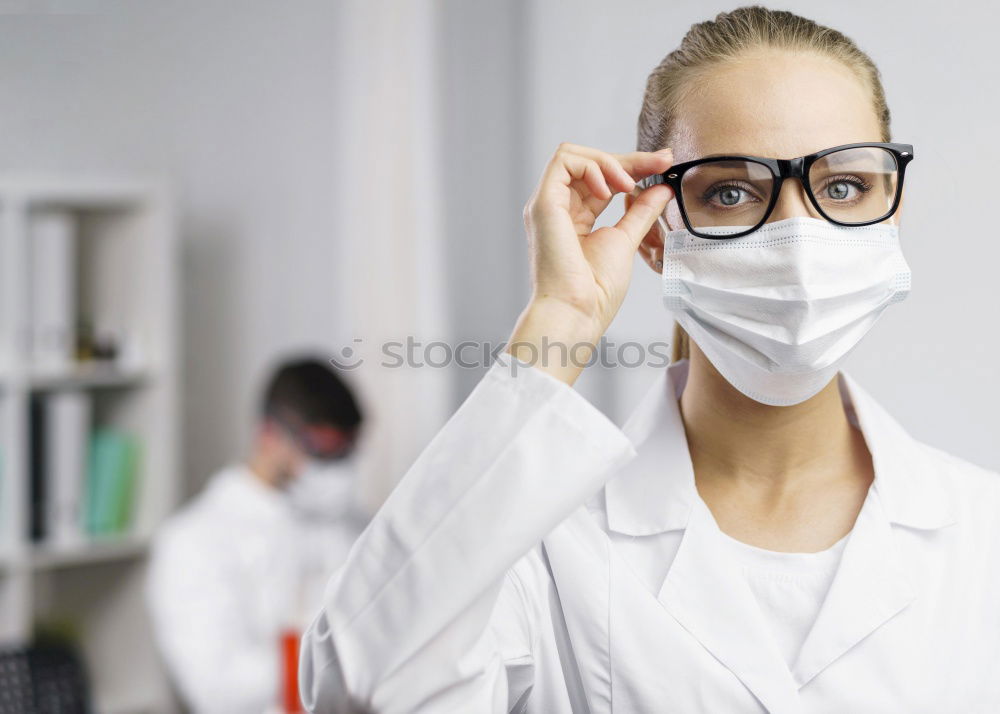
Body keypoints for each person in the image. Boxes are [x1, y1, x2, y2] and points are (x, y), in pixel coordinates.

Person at [299, 6, 1000, 713]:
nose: (797, 237)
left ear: (892, 206)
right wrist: (559, 322)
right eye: (731, 192)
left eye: (842, 186)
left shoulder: (983, 536)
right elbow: (364, 688)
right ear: (656, 233)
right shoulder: (539, 547)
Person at [148, 357, 368, 714]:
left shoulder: (351, 524)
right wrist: (338, 654)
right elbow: (218, 689)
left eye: (346, 451)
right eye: (320, 448)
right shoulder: (194, 540)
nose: (335, 466)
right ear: (269, 433)